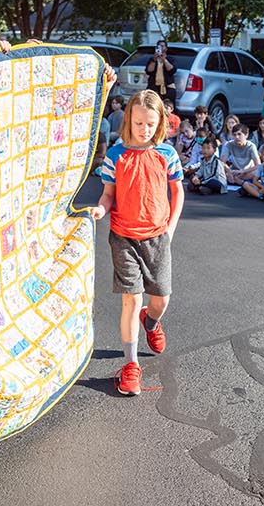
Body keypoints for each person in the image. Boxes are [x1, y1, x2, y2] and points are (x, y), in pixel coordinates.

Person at [92, 89, 185, 397]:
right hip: (123, 237)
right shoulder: (116, 155)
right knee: (131, 299)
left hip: (158, 238)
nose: (143, 129)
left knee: (161, 300)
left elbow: (177, 192)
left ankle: (152, 320)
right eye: (138, 123)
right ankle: (131, 366)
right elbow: (108, 195)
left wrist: (170, 229)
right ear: (128, 121)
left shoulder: (166, 154)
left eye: (149, 124)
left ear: (159, 123)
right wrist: (100, 209)